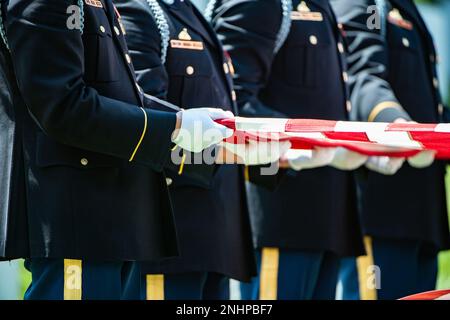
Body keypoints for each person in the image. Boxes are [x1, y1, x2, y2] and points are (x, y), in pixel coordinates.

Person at [0, 0, 238, 300]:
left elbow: (122, 96)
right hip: (78, 217)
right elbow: (62, 106)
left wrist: (208, 134)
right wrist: (175, 126)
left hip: (115, 217)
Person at [114, 0, 293, 300]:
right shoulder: (140, 12)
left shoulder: (185, 11)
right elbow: (148, 122)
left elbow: (225, 108)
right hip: (172, 238)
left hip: (215, 237)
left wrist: (271, 158)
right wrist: (242, 154)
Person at [208, 0, 376, 300]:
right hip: (281, 211)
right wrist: (306, 144)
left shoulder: (320, 5)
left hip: (327, 211)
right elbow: (232, 99)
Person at [332, 0, 450, 300]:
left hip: (422, 212)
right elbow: (361, 76)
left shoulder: (406, 7)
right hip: (382, 207)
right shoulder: (367, 4)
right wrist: (401, 129)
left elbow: (431, 106)